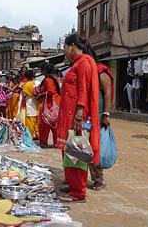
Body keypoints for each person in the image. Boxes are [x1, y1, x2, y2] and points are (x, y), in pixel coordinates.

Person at [57, 34, 100, 203]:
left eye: (65, 48)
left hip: (76, 115)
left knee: (77, 151)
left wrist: (79, 114)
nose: (65, 52)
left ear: (72, 46)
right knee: (71, 150)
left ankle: (78, 192)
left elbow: (83, 89)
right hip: (71, 114)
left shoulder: (83, 63)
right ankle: (73, 184)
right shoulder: (79, 63)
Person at [89, 61, 115, 191]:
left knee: (96, 147)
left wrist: (106, 114)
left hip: (97, 116)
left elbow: (107, 94)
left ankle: (98, 179)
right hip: (84, 115)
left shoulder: (101, 71)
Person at [38, 62, 60, 148]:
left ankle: (43, 142)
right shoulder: (55, 78)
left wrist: (41, 94)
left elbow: (51, 91)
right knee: (55, 124)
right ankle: (56, 142)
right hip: (55, 104)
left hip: (49, 104)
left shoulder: (47, 80)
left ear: (44, 70)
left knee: (45, 124)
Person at [22, 69, 39, 139]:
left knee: (30, 121)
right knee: (37, 121)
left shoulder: (27, 84)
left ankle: (30, 136)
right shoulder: (38, 82)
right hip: (38, 103)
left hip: (30, 103)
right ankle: (38, 135)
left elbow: (24, 94)